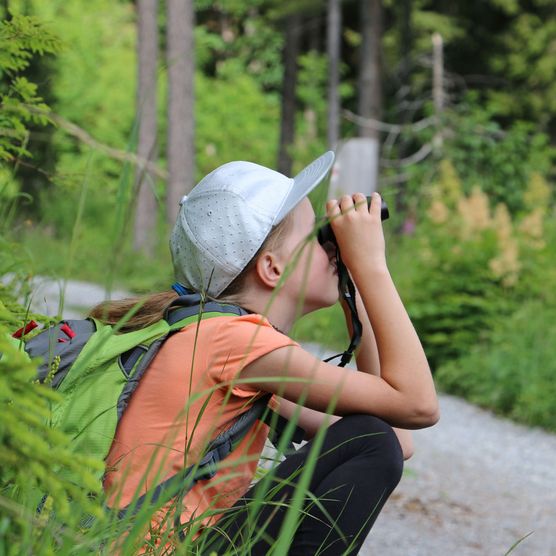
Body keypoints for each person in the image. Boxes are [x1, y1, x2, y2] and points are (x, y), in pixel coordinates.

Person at [98, 151, 439, 555]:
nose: (333, 248)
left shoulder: (223, 344)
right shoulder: (237, 343)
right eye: (316, 237)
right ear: (272, 268)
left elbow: (398, 438)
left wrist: (355, 287)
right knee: (370, 440)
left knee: (372, 438)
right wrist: (370, 266)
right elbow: (418, 405)